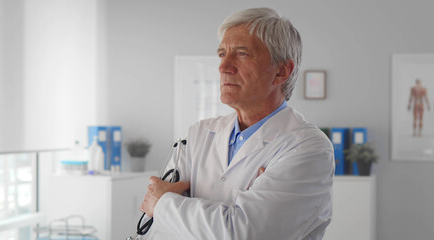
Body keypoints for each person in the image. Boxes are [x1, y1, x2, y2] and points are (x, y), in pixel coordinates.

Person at [139, 7, 334, 239]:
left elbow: (244, 233)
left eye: (242, 54)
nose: (223, 67)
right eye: (222, 54)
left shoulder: (308, 148)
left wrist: (162, 203)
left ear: (282, 71)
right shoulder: (199, 134)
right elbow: (159, 231)